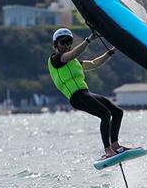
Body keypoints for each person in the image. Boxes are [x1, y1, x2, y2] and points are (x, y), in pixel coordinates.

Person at [48, 27, 131, 160]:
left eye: (69, 42)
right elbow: (73, 54)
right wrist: (89, 39)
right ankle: (108, 150)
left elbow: (94, 63)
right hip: (76, 97)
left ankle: (115, 146)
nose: (67, 45)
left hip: (85, 93)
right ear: (55, 45)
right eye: (63, 42)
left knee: (117, 112)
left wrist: (112, 51)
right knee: (105, 114)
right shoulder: (56, 59)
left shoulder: (73, 62)